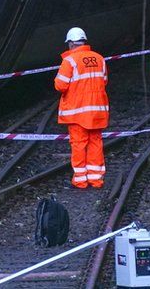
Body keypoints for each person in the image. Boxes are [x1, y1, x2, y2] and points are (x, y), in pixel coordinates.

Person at [54, 27, 109, 189]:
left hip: (77, 112)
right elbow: (104, 80)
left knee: (79, 144)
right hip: (97, 110)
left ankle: (80, 180)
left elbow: (60, 85)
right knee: (95, 143)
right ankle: (96, 179)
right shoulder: (99, 59)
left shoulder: (69, 61)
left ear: (71, 44)